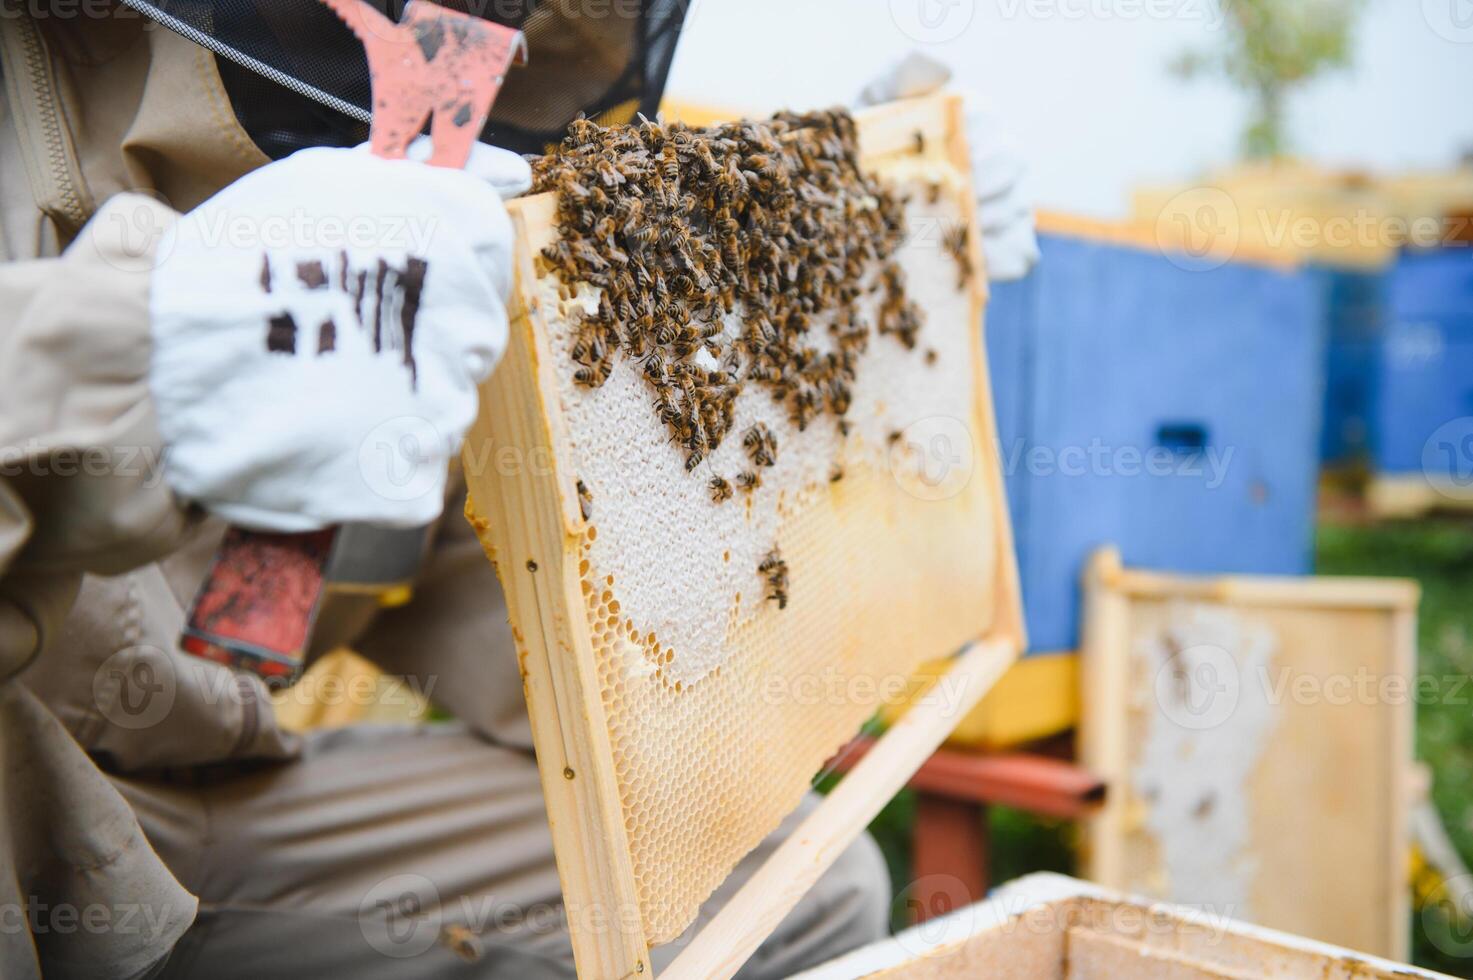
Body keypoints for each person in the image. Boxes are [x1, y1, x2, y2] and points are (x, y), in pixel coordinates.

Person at [0, 2, 1035, 976]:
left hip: (206, 802)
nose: (459, 34)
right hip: (21, 801)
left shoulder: (439, 177)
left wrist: (836, 260)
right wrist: (139, 359)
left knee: (802, 880)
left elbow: (542, 649)